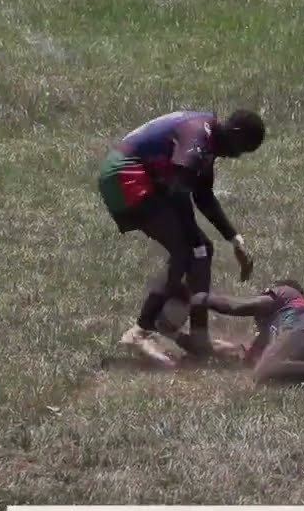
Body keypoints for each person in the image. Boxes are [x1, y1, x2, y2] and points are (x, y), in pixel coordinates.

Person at [97, 109, 264, 367]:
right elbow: (178, 189)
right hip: (124, 176)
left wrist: (234, 239)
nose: (236, 156)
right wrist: (192, 239)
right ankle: (139, 332)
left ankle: (199, 337)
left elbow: (203, 195)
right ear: (235, 134)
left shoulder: (209, 140)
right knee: (186, 249)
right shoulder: (198, 136)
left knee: (201, 250)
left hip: (144, 178)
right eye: (240, 149)